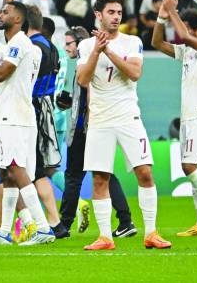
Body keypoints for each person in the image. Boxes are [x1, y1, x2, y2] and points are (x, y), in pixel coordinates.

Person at [76, 0, 171, 251]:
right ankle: (105, 237)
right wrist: (97, 50)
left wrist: (108, 49)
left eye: (119, 12)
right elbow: (83, 80)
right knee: (99, 178)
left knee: (145, 172)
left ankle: (151, 232)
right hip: (100, 120)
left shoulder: (132, 42)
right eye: (111, 12)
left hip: (128, 117)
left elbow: (134, 73)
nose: (116, 17)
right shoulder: (85, 46)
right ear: (98, 14)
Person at [0, 0, 57, 246]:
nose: (1, 15)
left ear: (18, 19)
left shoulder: (19, 44)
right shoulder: (19, 45)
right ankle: (3, 231)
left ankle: (43, 228)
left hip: (12, 116)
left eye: (6, 12)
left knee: (14, 169)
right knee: (8, 174)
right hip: (20, 115)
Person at [151, 0, 197, 237]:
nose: (181, 33)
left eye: (188, 28)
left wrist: (173, 11)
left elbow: (181, 34)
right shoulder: (187, 52)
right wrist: (162, 18)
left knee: (188, 166)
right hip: (189, 116)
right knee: (196, 168)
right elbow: (157, 44)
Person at [57, 28, 137, 238]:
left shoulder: (90, 65)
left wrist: (90, 122)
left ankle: (64, 224)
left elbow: (90, 94)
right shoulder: (85, 65)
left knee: (74, 176)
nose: (67, 48)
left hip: (86, 128)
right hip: (89, 125)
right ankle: (125, 220)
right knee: (104, 174)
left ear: (81, 43)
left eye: (69, 43)